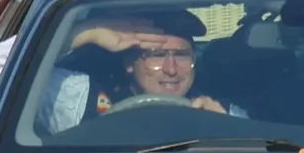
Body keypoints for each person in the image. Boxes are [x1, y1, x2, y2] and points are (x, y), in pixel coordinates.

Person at [42, 8, 242, 132]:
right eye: (156, 56)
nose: (171, 69)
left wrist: (229, 130)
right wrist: (86, 32)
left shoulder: (219, 111)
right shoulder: (83, 100)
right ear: (129, 63)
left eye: (181, 55)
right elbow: (13, 64)